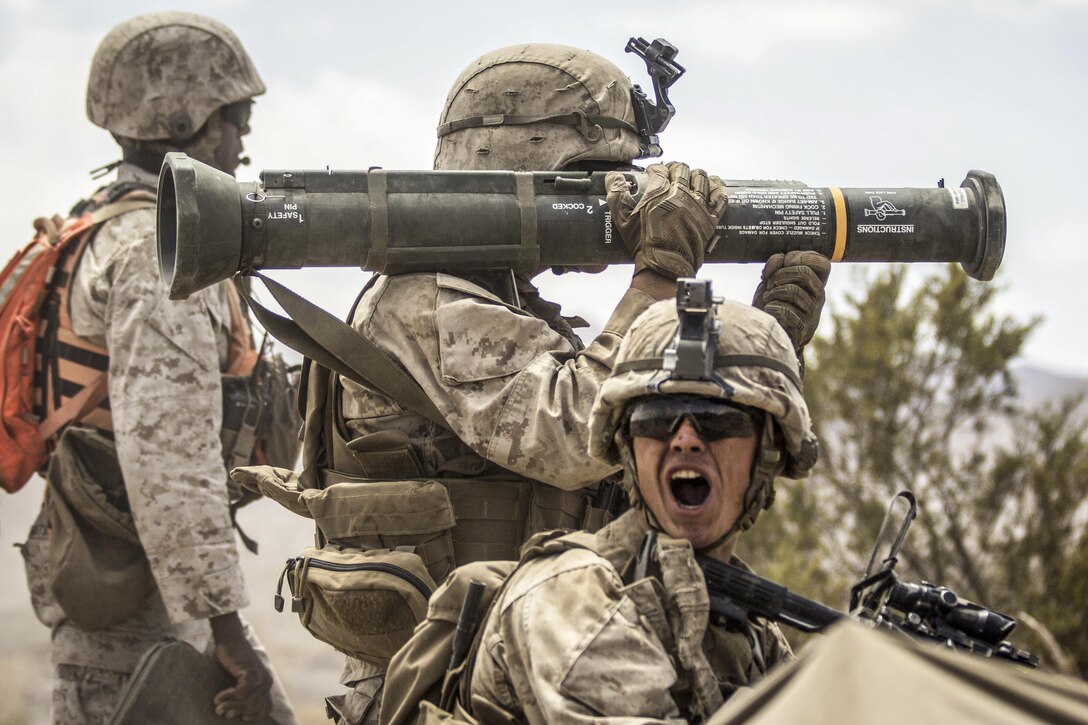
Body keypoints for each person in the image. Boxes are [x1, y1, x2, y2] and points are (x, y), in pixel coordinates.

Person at [284, 42, 827, 723]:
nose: (614, 205)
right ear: (522, 171)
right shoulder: (425, 302)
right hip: (453, 687)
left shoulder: (499, 302)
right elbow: (577, 437)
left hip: (535, 657)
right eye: (593, 179)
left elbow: (646, 456)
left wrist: (762, 350)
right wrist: (658, 275)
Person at [21, 12, 295, 723]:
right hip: (140, 612)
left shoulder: (104, 227)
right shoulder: (156, 255)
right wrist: (228, 630)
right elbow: (168, 457)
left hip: (141, 594)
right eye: (233, 117)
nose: (243, 138)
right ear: (185, 120)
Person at [459, 283, 820, 722]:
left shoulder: (745, 626)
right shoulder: (574, 599)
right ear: (626, 449)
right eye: (658, 420)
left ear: (773, 454)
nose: (685, 440)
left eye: (717, 419)